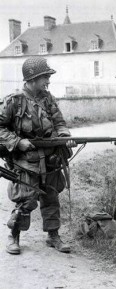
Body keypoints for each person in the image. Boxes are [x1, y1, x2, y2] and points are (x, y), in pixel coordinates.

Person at [0, 57, 76, 255]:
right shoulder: (13, 101)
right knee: (26, 200)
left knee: (51, 197)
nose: (48, 81)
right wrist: (18, 142)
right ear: (32, 78)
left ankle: (53, 236)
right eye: (45, 77)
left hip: (50, 159)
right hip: (26, 162)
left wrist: (64, 137)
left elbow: (60, 122)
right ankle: (14, 236)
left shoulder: (48, 98)